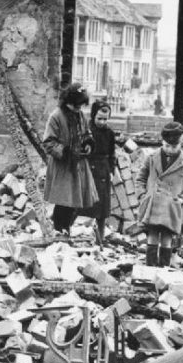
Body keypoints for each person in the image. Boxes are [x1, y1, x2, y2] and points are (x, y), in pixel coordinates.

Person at [135, 121, 183, 267]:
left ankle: (163, 269)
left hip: (171, 207)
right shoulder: (151, 158)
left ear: (181, 142)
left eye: (174, 146)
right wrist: (142, 195)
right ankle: (150, 269)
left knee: (166, 239)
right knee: (152, 237)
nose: (169, 149)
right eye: (166, 145)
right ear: (162, 142)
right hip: (152, 205)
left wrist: (182, 199)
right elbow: (141, 177)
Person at [42, 83, 99, 235]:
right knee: (64, 202)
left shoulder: (79, 115)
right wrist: (65, 152)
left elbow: (86, 132)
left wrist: (88, 142)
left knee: (75, 202)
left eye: (81, 106)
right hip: (64, 166)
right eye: (77, 106)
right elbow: (48, 142)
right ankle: (59, 230)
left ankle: (65, 229)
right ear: (68, 102)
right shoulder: (56, 116)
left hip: (78, 165)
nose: (79, 109)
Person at [81, 100, 117, 243]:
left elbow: (112, 154)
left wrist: (111, 170)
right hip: (87, 168)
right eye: (99, 118)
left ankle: (100, 237)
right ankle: (65, 231)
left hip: (103, 170)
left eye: (105, 119)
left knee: (102, 208)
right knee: (79, 203)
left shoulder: (110, 133)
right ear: (93, 116)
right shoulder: (86, 131)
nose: (102, 122)